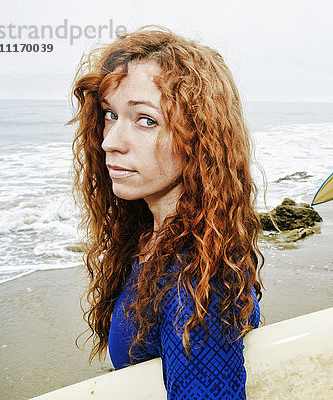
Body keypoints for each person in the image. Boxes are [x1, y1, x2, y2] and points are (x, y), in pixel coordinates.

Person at [69, 26, 263, 399]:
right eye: (110, 114)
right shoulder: (151, 235)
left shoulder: (200, 282)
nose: (109, 142)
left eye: (146, 120)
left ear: (200, 136)